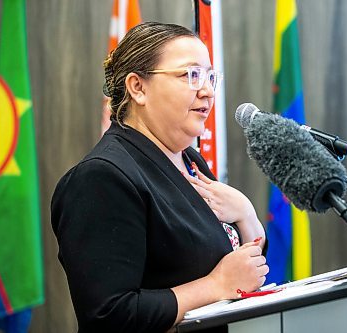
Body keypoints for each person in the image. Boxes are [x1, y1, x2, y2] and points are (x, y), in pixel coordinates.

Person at [51, 22, 268, 333]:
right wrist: (215, 285)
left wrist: (247, 215)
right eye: (190, 75)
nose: (206, 89)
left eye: (209, 77)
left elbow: (245, 271)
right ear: (138, 87)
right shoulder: (101, 178)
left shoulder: (190, 160)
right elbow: (108, 316)